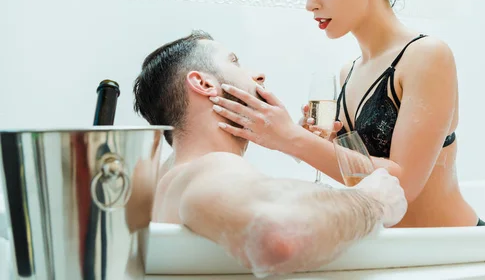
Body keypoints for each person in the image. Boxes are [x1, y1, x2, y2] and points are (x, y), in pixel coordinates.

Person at [210, 0, 485, 228]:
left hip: (457, 251)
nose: (310, 3)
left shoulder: (427, 56)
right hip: (398, 254)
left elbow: (402, 186)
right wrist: (314, 141)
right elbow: (362, 180)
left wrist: (290, 139)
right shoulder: (346, 73)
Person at [132, 30, 408, 278]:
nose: (259, 76)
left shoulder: (163, 179)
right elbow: (279, 235)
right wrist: (372, 202)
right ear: (204, 84)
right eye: (234, 61)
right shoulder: (210, 167)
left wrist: (293, 141)